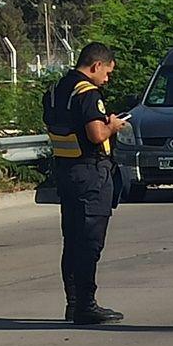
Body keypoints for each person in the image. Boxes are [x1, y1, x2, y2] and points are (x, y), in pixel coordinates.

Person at [43, 42, 130, 325]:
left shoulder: (57, 90)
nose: (107, 79)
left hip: (66, 171)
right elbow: (95, 134)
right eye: (107, 72)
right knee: (90, 241)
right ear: (95, 66)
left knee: (72, 239)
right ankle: (86, 305)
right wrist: (112, 126)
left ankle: (73, 302)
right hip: (90, 173)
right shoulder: (88, 93)